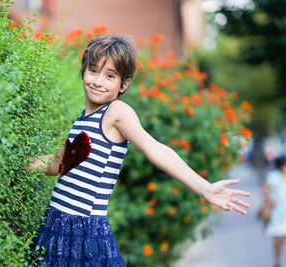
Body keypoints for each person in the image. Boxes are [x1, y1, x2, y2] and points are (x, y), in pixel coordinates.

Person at [25, 34, 251, 266]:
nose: (98, 81)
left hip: (85, 232)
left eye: (110, 75)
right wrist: (17, 161)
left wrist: (205, 189)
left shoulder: (116, 113)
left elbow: (156, 150)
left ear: (124, 84)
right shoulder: (81, 119)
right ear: (83, 71)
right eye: (93, 70)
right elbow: (56, 164)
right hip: (55, 225)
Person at [263, 155, 286, 267]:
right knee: (278, 238)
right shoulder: (273, 176)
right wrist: (270, 200)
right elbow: (265, 192)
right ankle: (277, 261)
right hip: (277, 212)